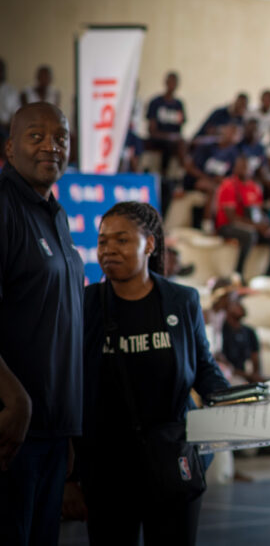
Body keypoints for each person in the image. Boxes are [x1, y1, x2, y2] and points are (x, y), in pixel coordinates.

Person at [79, 201, 229, 545]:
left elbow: (203, 368)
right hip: (108, 469)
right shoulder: (87, 305)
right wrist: (74, 476)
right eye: (103, 242)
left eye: (122, 240)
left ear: (149, 244)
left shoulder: (182, 300)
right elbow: (77, 386)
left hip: (172, 462)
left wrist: (236, 401)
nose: (109, 250)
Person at [0, 103, 83, 546]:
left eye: (61, 137)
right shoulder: (4, 206)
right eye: (36, 136)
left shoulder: (56, 215)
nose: (51, 145)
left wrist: (65, 428)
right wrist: (16, 401)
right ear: (9, 148)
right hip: (12, 434)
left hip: (52, 433)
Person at [214, 155, 270, 278]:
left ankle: (269, 274)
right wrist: (258, 227)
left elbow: (258, 212)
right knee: (249, 235)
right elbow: (232, 218)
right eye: (240, 166)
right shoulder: (228, 185)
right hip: (227, 226)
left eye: (246, 167)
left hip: (252, 225)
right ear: (235, 168)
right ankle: (238, 273)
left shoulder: (255, 187)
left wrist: (266, 225)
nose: (243, 169)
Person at [145, 71, 187, 174]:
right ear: (165, 82)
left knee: (184, 143)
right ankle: (164, 173)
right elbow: (152, 129)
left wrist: (175, 137)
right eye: (170, 81)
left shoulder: (178, 105)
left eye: (174, 82)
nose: (172, 85)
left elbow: (180, 126)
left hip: (174, 139)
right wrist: (169, 136)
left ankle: (184, 170)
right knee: (169, 144)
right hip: (158, 138)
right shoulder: (156, 102)